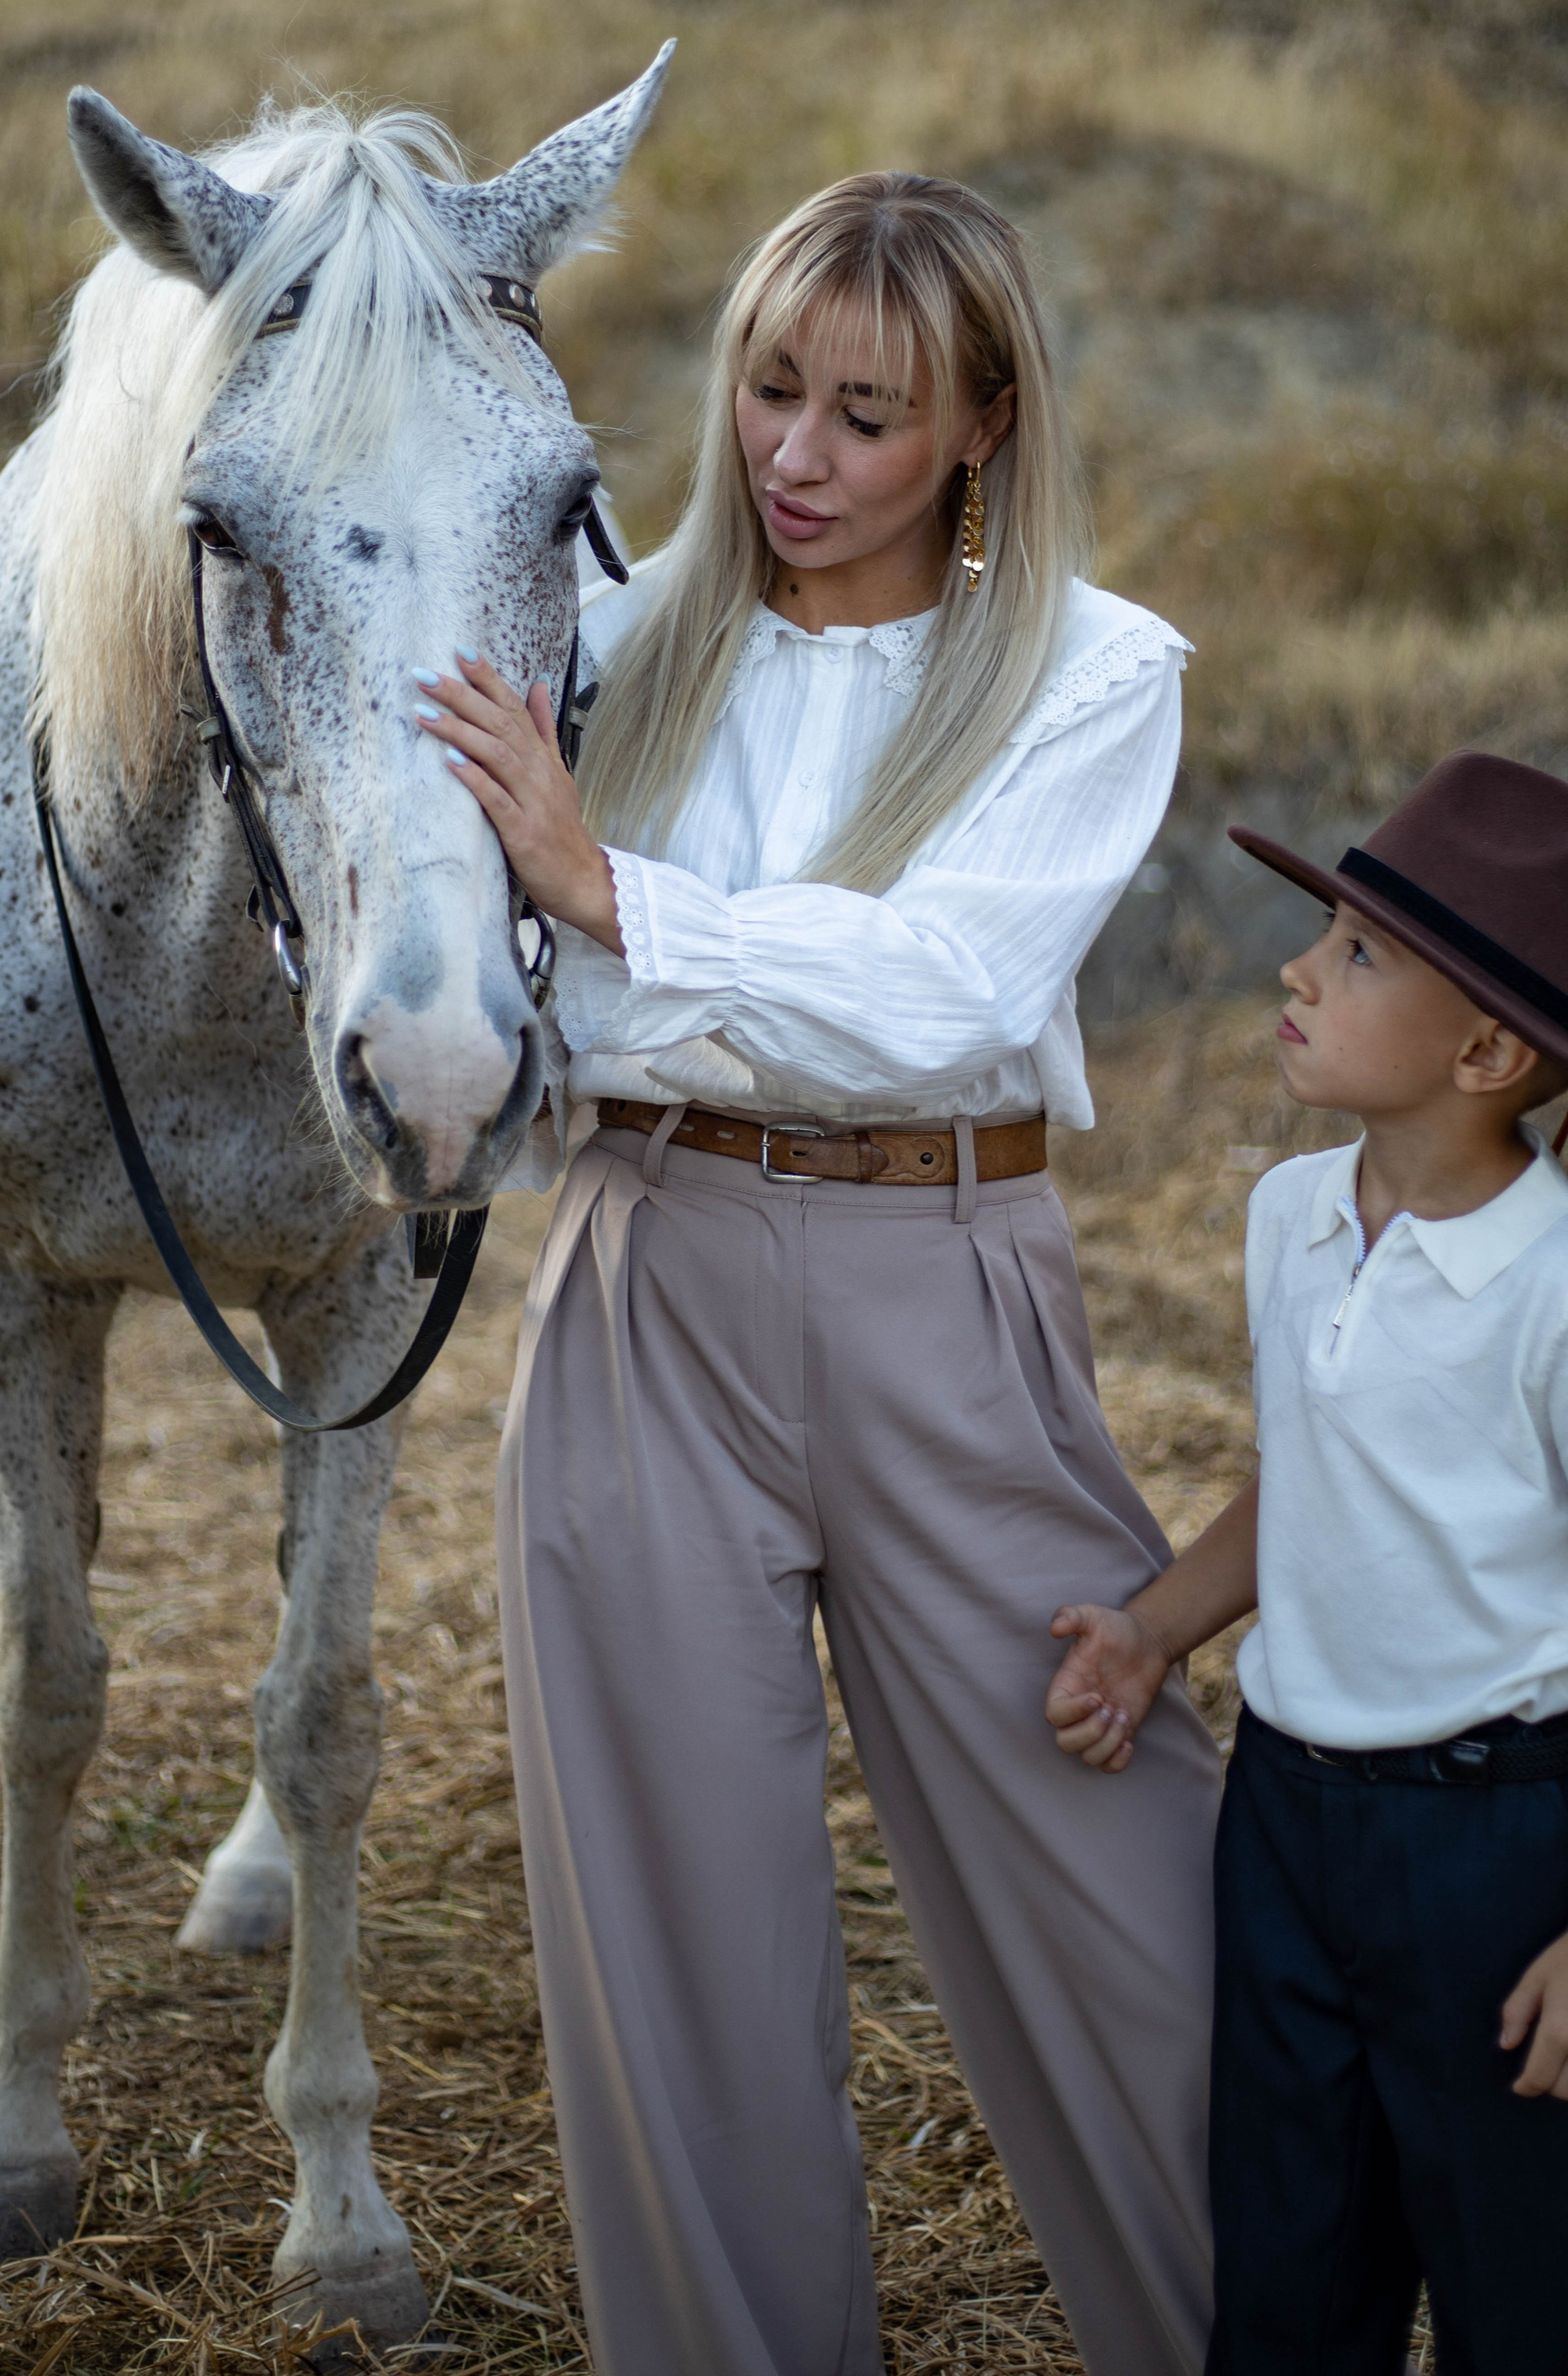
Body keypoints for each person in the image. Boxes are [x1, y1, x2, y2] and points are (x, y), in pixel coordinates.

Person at [412, 172, 1222, 2376]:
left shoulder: (1088, 670)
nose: (797, 455)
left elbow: (952, 991)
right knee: (675, 1934)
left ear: (982, 422)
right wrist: (571, 938)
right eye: (772, 389)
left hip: (940, 1279)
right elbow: (492, 992)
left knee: (1123, 1871)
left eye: (868, 415)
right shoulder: (604, 638)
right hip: (642, 1279)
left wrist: (617, 902)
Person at [1043, 751, 1568, 2376]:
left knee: (1517, 2289)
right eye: (1325, 930)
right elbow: (1315, 1483)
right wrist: (1153, 1633)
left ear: (1486, 1049)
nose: (1295, 965)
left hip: (1492, 1853)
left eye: (1353, 954)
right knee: (1285, 2274)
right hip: (1282, 1822)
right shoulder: (1289, 1215)